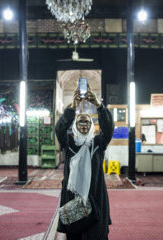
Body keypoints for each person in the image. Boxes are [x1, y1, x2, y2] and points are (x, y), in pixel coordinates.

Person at [55, 87, 114, 240]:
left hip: (95, 195)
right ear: (75, 125)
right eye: (80, 121)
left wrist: (99, 106)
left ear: (91, 125)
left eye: (87, 122)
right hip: (73, 199)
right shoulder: (69, 143)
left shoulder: (98, 143)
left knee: (96, 234)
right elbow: (59, 128)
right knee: (75, 234)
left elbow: (108, 129)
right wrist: (72, 108)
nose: (83, 125)